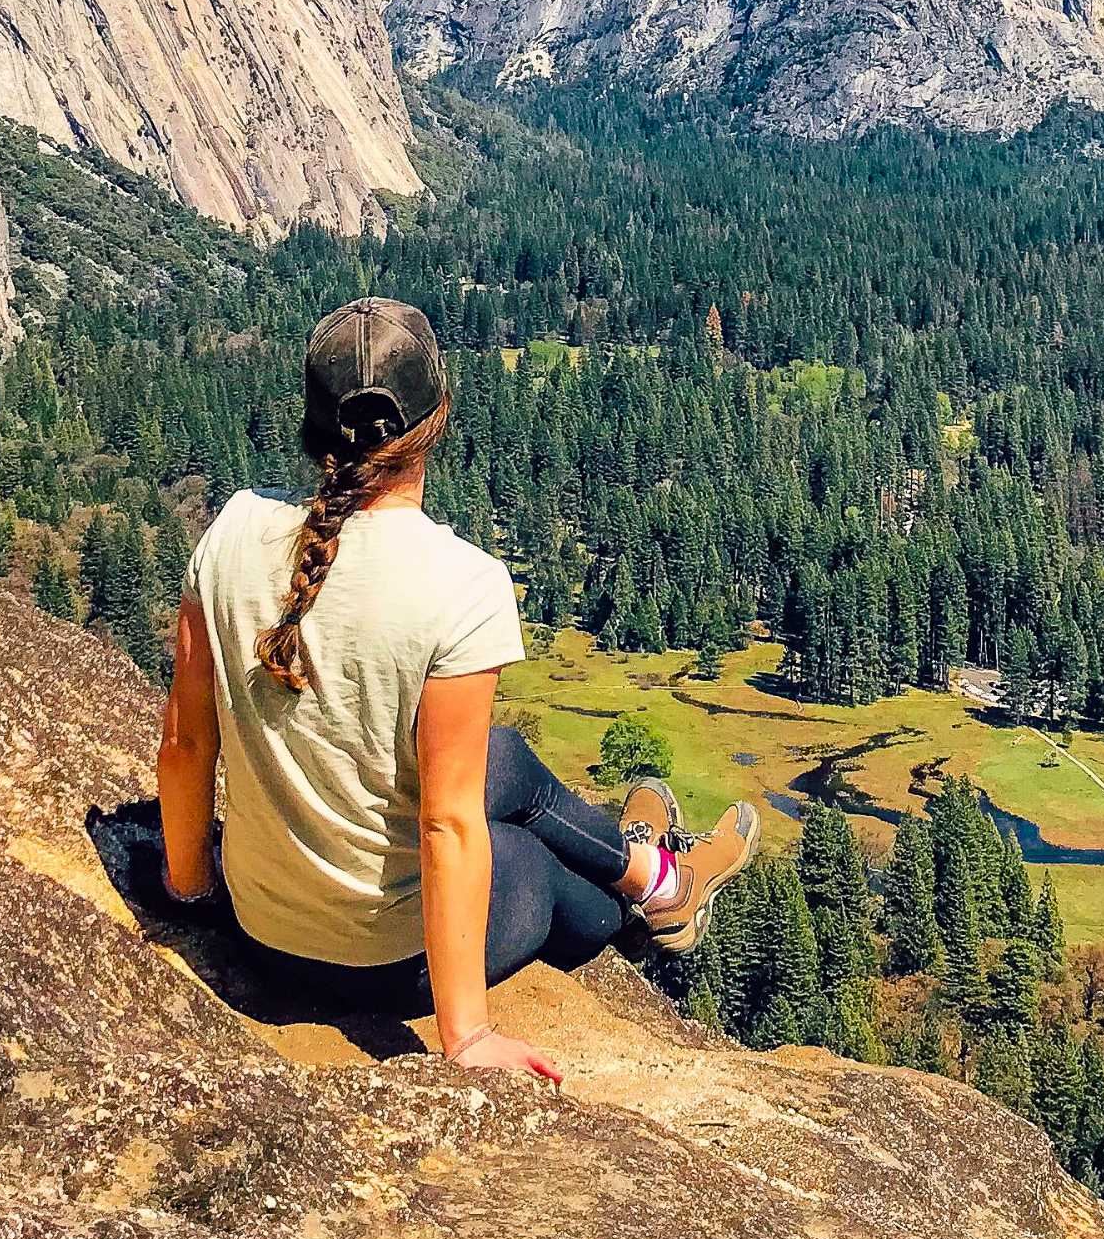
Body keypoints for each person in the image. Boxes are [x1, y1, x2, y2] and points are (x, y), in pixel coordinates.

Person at [153, 296, 760, 1084]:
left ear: (311, 423)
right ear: (437, 416)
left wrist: (190, 889)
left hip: (260, 927)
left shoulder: (232, 529)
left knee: (501, 758)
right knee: (532, 860)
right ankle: (647, 896)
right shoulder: (461, 584)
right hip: (379, 963)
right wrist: (465, 1035)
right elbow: (445, 825)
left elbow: (185, 740)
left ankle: (654, 872)